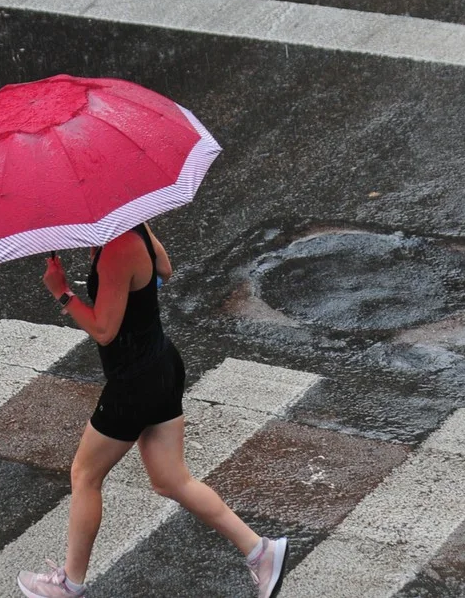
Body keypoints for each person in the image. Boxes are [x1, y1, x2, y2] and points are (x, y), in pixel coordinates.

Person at [17, 223, 287, 598]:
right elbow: (165, 269)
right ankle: (262, 552)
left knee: (84, 475)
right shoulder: (133, 226)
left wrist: (62, 293)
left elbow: (104, 330)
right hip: (159, 366)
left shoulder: (116, 248)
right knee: (171, 480)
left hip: (135, 382)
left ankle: (69, 585)